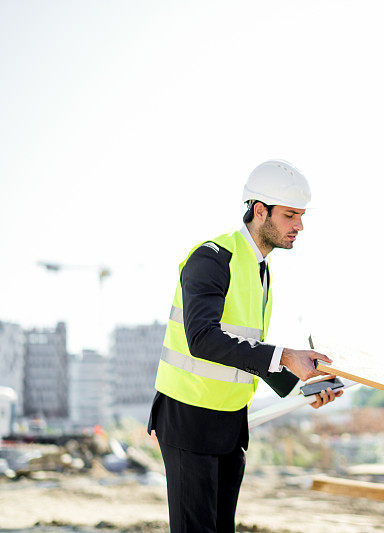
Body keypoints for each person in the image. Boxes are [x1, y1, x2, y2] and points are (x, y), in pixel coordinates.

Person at [148, 160, 342, 533]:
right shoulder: (211, 257)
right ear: (259, 211)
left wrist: (303, 382)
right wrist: (286, 356)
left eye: (301, 216)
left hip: (228, 422)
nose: (299, 226)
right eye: (290, 215)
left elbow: (245, 349)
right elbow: (203, 339)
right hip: (188, 419)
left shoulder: (260, 268)